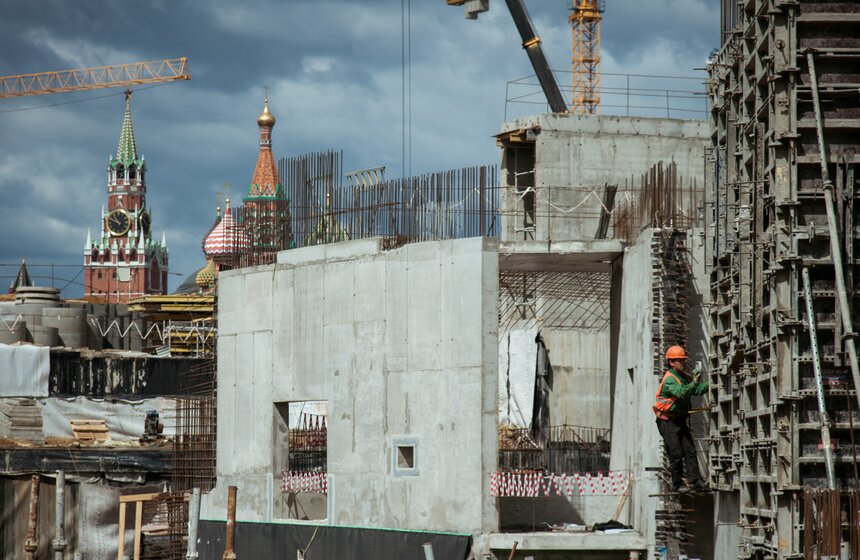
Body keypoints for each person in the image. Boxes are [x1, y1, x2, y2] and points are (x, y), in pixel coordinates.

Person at [653, 345, 709, 493]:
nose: (683, 363)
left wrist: (712, 383)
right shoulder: (670, 379)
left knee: (690, 450)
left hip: (678, 419)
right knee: (676, 453)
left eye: (683, 360)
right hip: (667, 421)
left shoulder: (682, 376)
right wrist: (694, 382)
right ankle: (677, 484)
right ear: (671, 362)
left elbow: (695, 390)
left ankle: (696, 481)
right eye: (680, 360)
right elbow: (681, 393)